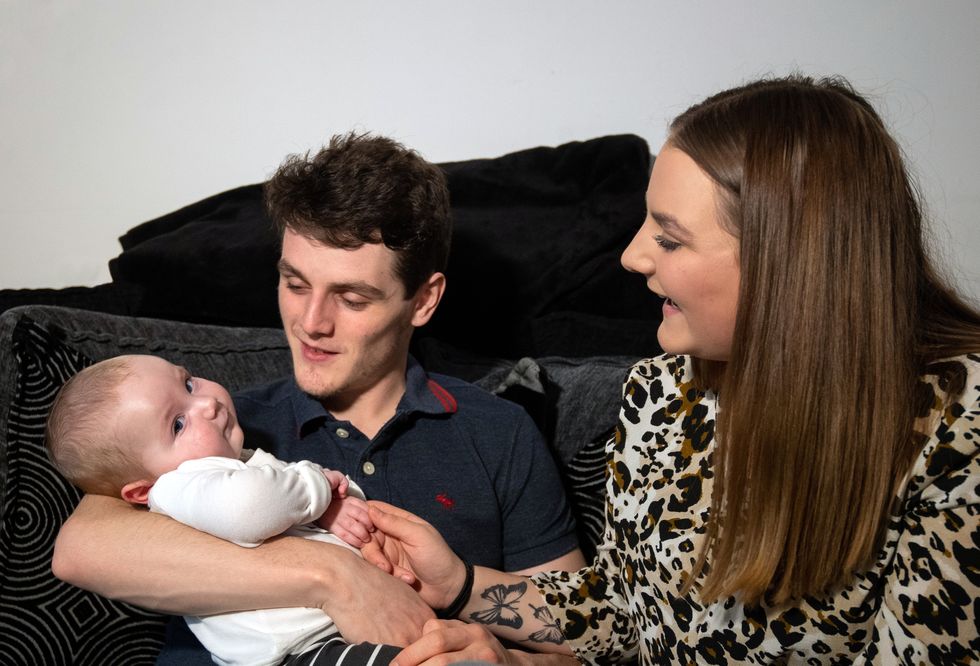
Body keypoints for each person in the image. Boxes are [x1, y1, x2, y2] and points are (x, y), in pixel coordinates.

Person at [363, 75, 980, 665]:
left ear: (788, 262)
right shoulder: (660, 391)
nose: (632, 257)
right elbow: (629, 616)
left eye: (671, 238)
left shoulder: (956, 429)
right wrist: (464, 584)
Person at [51, 133, 586, 664]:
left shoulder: (498, 431)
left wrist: (511, 662)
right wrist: (335, 576)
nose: (310, 325)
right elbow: (80, 551)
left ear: (423, 300)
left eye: (351, 298)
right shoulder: (215, 431)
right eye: (295, 284)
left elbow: (583, 637)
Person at [46, 353, 404, 666]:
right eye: (177, 425)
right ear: (142, 491)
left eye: (188, 384)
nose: (207, 404)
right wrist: (320, 487)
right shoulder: (178, 485)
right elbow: (251, 508)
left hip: (332, 631)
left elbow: (287, 502)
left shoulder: (233, 463)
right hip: (299, 652)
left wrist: (327, 506)